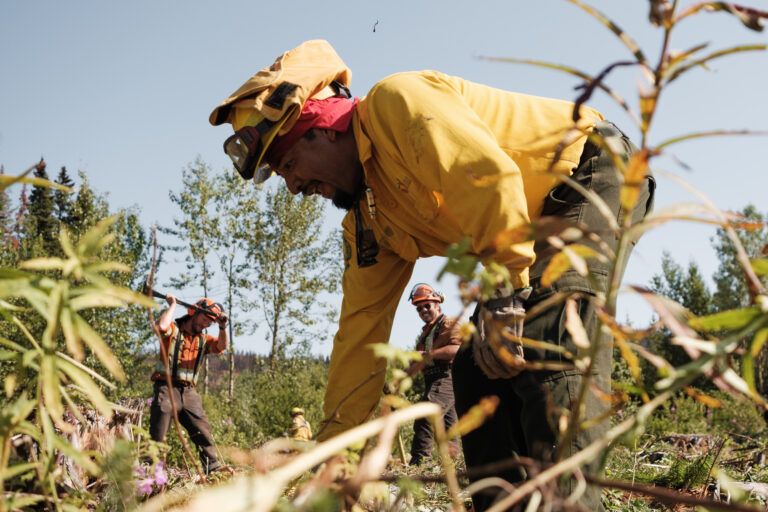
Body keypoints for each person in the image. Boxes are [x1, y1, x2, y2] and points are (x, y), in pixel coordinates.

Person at [209, 39, 655, 509]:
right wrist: (334, 463)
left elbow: (485, 177)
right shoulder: (367, 224)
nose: (295, 187)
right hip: (519, 234)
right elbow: (358, 342)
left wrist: (504, 293)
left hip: (589, 170)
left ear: (323, 128)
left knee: (550, 333)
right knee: (475, 367)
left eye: (289, 165)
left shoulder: (396, 103)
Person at [149, 294, 228, 474]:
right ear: (194, 312)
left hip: (189, 392)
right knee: (159, 433)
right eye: (204, 319)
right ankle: (152, 472)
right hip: (166, 388)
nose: (206, 324)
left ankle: (213, 469)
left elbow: (221, 346)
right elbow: (161, 326)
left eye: (210, 323)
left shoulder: (203, 339)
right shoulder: (173, 330)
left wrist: (223, 327)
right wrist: (172, 306)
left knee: (203, 431)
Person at [406, 283, 461, 466]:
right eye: (419, 308)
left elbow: (456, 349)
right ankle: (453, 470)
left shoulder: (448, 323)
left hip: (446, 377)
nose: (423, 310)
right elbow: (417, 363)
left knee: (425, 415)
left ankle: (418, 467)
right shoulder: (425, 334)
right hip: (432, 380)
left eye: (427, 305)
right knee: (449, 430)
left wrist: (428, 355)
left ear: (437, 304)